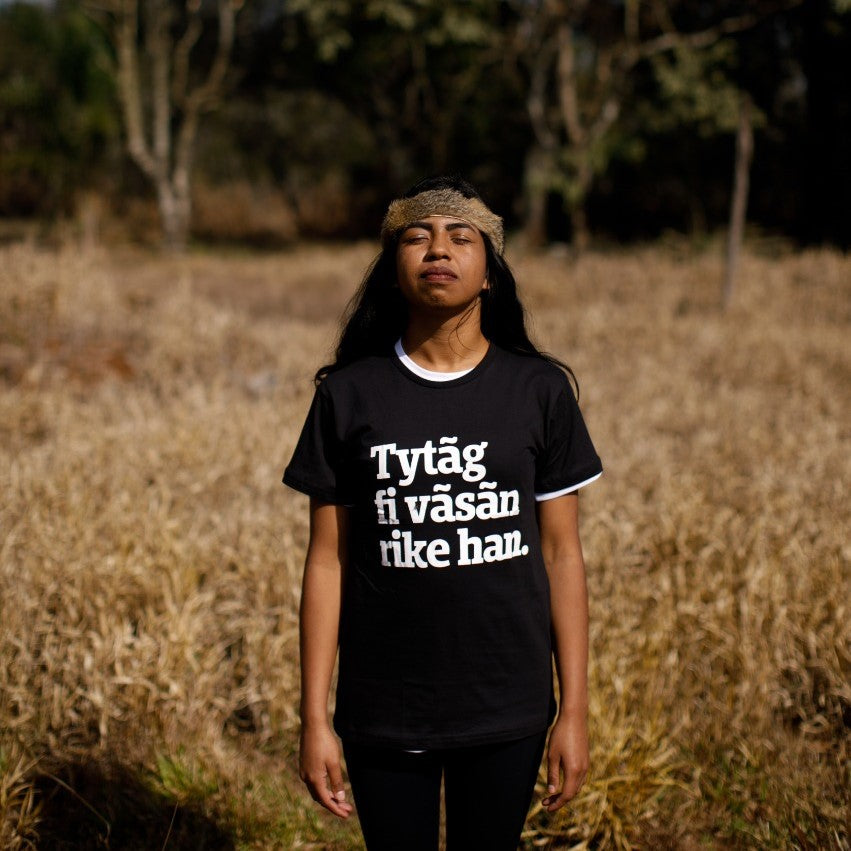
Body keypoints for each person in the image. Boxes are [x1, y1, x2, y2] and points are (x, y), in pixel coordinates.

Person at [283, 175, 602, 851]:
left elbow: (561, 555)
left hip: (507, 702)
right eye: (415, 236)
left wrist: (572, 709)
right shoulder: (347, 394)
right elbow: (327, 559)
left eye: (461, 237)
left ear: (489, 272)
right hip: (384, 707)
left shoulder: (538, 390)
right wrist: (314, 716)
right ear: (391, 269)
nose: (438, 249)